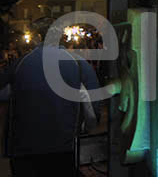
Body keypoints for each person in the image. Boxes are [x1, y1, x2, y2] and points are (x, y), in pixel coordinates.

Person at [1, 21, 100, 176]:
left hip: (23, 146)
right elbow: (94, 105)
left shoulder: (21, 63)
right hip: (63, 146)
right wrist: (87, 127)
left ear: (39, 38)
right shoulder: (79, 64)